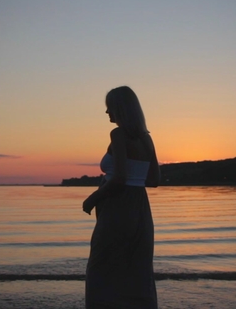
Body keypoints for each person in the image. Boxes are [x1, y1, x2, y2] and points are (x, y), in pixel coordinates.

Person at [83, 86, 160, 308]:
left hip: (117, 209)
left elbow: (118, 177)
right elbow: (154, 180)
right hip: (140, 210)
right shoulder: (146, 138)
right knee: (137, 268)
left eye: (109, 108)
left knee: (102, 267)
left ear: (120, 108)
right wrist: (135, 179)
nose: (107, 113)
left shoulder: (117, 134)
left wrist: (94, 198)